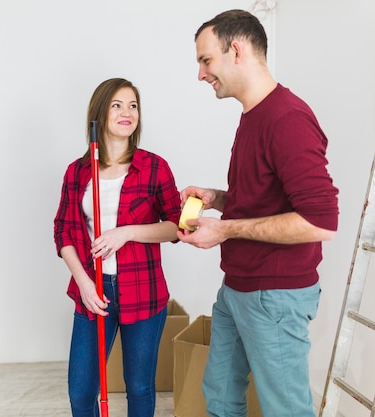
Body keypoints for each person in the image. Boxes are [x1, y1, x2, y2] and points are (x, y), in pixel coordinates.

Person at [177, 9, 340, 417]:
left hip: (275, 296)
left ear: (236, 50)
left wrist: (224, 230)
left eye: (206, 60)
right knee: (219, 395)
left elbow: (320, 221)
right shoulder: (253, 116)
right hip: (238, 288)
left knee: (286, 409)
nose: (200, 74)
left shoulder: (287, 119)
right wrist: (217, 198)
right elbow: (263, 203)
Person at [53, 77, 181, 417]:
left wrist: (126, 233)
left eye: (133, 105)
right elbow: (63, 231)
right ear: (99, 113)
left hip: (144, 291)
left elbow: (176, 227)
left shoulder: (154, 167)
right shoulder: (78, 172)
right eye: (117, 105)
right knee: (81, 392)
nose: (127, 112)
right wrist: (83, 282)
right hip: (94, 290)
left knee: (139, 389)